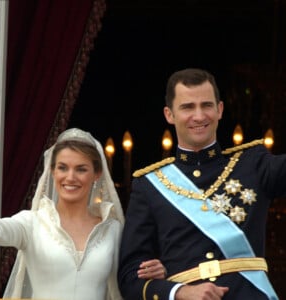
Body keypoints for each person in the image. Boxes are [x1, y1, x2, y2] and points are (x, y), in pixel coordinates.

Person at [118, 68, 285, 299]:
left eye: (206, 105)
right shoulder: (149, 186)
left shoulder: (254, 165)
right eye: (187, 107)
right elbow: (129, 278)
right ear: (169, 114)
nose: (199, 116)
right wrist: (179, 291)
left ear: (220, 110)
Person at [0, 128, 166, 299]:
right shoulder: (31, 223)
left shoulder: (112, 228)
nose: (70, 177)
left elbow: (130, 278)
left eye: (81, 169)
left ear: (97, 174)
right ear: (52, 171)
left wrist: (157, 272)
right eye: (63, 168)